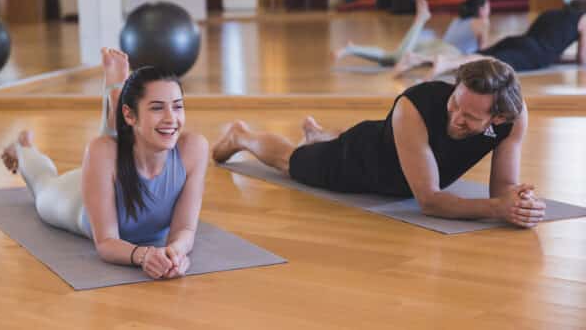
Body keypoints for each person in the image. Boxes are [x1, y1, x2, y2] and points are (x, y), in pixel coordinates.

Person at [212, 59, 546, 228]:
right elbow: (429, 201)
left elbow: (502, 187)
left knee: (320, 145)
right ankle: (242, 135)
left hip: (399, 149)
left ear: (498, 118)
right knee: (290, 160)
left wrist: (518, 201)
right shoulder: (414, 106)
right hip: (361, 161)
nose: (456, 116)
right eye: (454, 103)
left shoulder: (513, 116)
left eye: (470, 117)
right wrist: (497, 209)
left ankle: (320, 135)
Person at [0, 48, 209, 280]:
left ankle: (115, 96)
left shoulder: (194, 149)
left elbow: (184, 230)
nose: (171, 118)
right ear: (130, 115)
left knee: (111, 146)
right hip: (75, 200)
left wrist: (176, 255)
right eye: (157, 107)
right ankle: (23, 149)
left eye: (178, 106)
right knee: (43, 184)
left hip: (110, 169)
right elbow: (106, 243)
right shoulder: (101, 151)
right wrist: (145, 255)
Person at [397, 2, 586, 79]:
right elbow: (582, 57)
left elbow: (541, 37)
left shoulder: (552, 13)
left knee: (474, 56)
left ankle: (418, 59)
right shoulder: (583, 20)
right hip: (534, 53)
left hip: (519, 41)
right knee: (486, 62)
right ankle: (444, 64)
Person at [333, 0, 491, 67]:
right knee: (397, 59)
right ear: (481, 9)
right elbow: (484, 51)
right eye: (487, 7)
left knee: (392, 57)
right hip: (449, 51)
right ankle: (420, 19)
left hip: (436, 44)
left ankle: (351, 48)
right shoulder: (483, 22)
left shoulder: (459, 19)